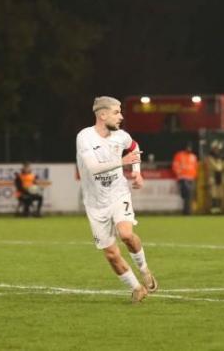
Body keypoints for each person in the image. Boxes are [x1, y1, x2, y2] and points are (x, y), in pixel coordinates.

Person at [75, 96, 158, 303]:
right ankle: (136, 287)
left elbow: (134, 146)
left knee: (126, 234)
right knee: (111, 254)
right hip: (95, 203)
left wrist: (137, 172)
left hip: (118, 193)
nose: (121, 116)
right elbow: (93, 168)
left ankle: (144, 269)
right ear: (102, 115)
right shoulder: (85, 137)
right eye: (116, 112)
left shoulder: (121, 136)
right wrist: (121, 162)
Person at [172, 142, 198, 215]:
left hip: (191, 178)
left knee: (189, 195)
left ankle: (187, 211)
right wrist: (179, 174)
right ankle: (187, 211)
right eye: (188, 147)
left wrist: (195, 176)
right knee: (187, 195)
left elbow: (195, 167)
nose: (189, 149)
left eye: (190, 147)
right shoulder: (179, 155)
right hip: (183, 178)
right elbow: (175, 165)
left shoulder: (193, 156)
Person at [205, 139, 224, 213]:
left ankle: (219, 208)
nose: (217, 150)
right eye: (215, 148)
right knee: (213, 193)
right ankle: (213, 208)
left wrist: (223, 166)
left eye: (218, 149)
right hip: (213, 177)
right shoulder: (210, 157)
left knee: (220, 193)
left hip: (221, 177)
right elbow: (216, 167)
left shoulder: (222, 157)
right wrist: (221, 165)